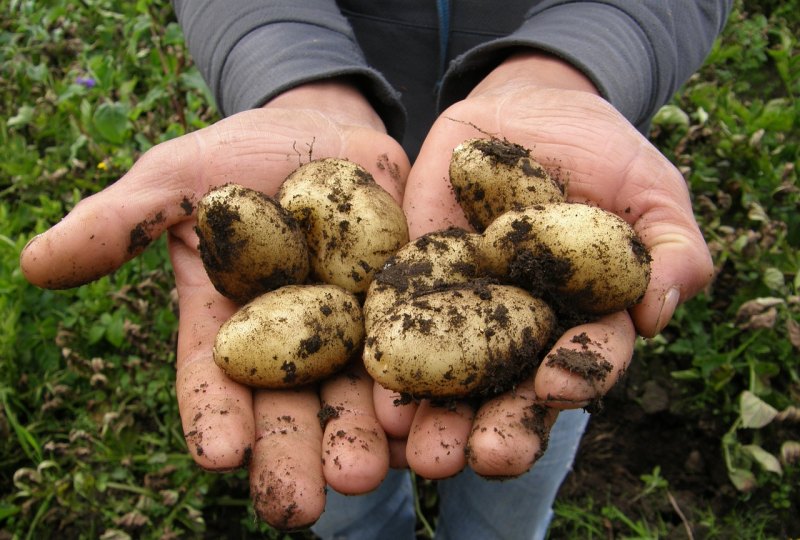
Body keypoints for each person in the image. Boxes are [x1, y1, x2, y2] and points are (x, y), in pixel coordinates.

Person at [20, 1, 732, 538]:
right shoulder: (352, 260)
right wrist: (295, 78)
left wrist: (577, 64)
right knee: (344, 488)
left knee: (521, 451)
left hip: (542, 233)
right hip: (338, 131)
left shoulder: (510, 246)